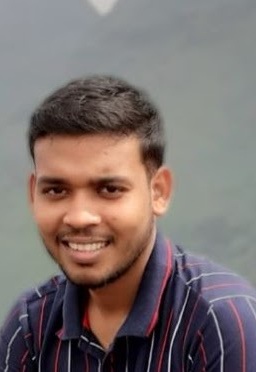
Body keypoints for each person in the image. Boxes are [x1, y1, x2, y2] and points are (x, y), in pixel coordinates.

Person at [1, 75, 256, 372]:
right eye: (56, 190)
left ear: (158, 192)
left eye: (109, 189)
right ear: (34, 194)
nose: (79, 216)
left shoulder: (220, 322)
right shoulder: (32, 327)